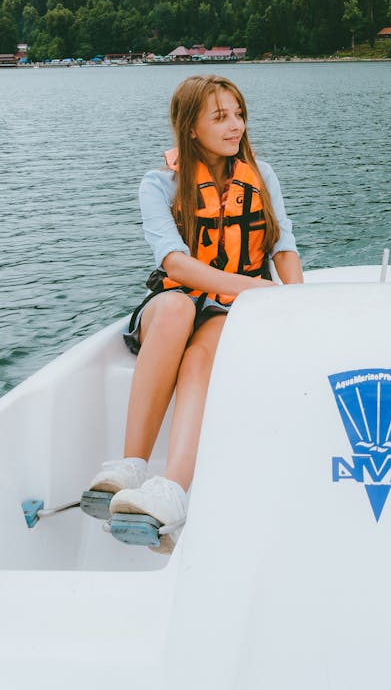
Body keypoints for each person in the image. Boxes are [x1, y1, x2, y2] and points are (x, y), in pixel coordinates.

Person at [85, 74, 302, 551]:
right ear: (190, 128)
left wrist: (296, 300)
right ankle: (130, 465)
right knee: (178, 307)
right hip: (174, 306)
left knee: (201, 358)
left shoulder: (261, 176)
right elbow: (175, 262)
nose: (236, 126)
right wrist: (253, 288)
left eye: (239, 114)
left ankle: (172, 489)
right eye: (221, 117)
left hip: (229, 311)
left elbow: (283, 245)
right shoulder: (158, 184)